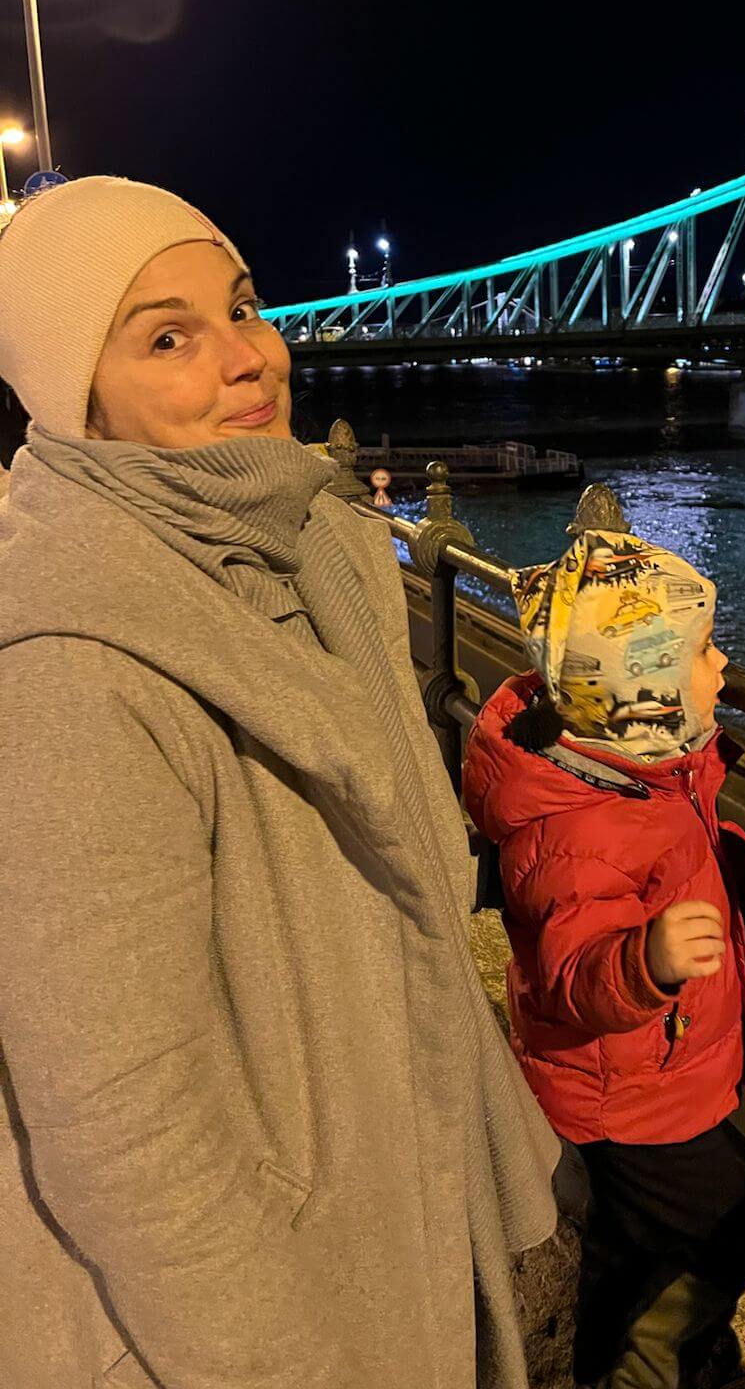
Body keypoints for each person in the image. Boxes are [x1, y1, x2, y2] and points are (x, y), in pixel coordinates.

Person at [0, 177, 559, 1389]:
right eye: (167, 336)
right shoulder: (71, 661)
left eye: (244, 308)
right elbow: (125, 1125)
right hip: (262, 1321)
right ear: (73, 391)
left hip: (388, 1216)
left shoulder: (313, 553)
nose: (247, 358)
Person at [463, 529, 745, 1389]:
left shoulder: (627, 769)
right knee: (716, 1228)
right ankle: (649, 1366)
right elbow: (573, 967)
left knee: (640, 1238)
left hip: (648, 1074)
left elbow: (696, 838)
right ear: (641, 684)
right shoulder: (580, 832)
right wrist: (646, 962)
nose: (724, 663)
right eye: (700, 650)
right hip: (626, 1088)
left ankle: (630, 1345)